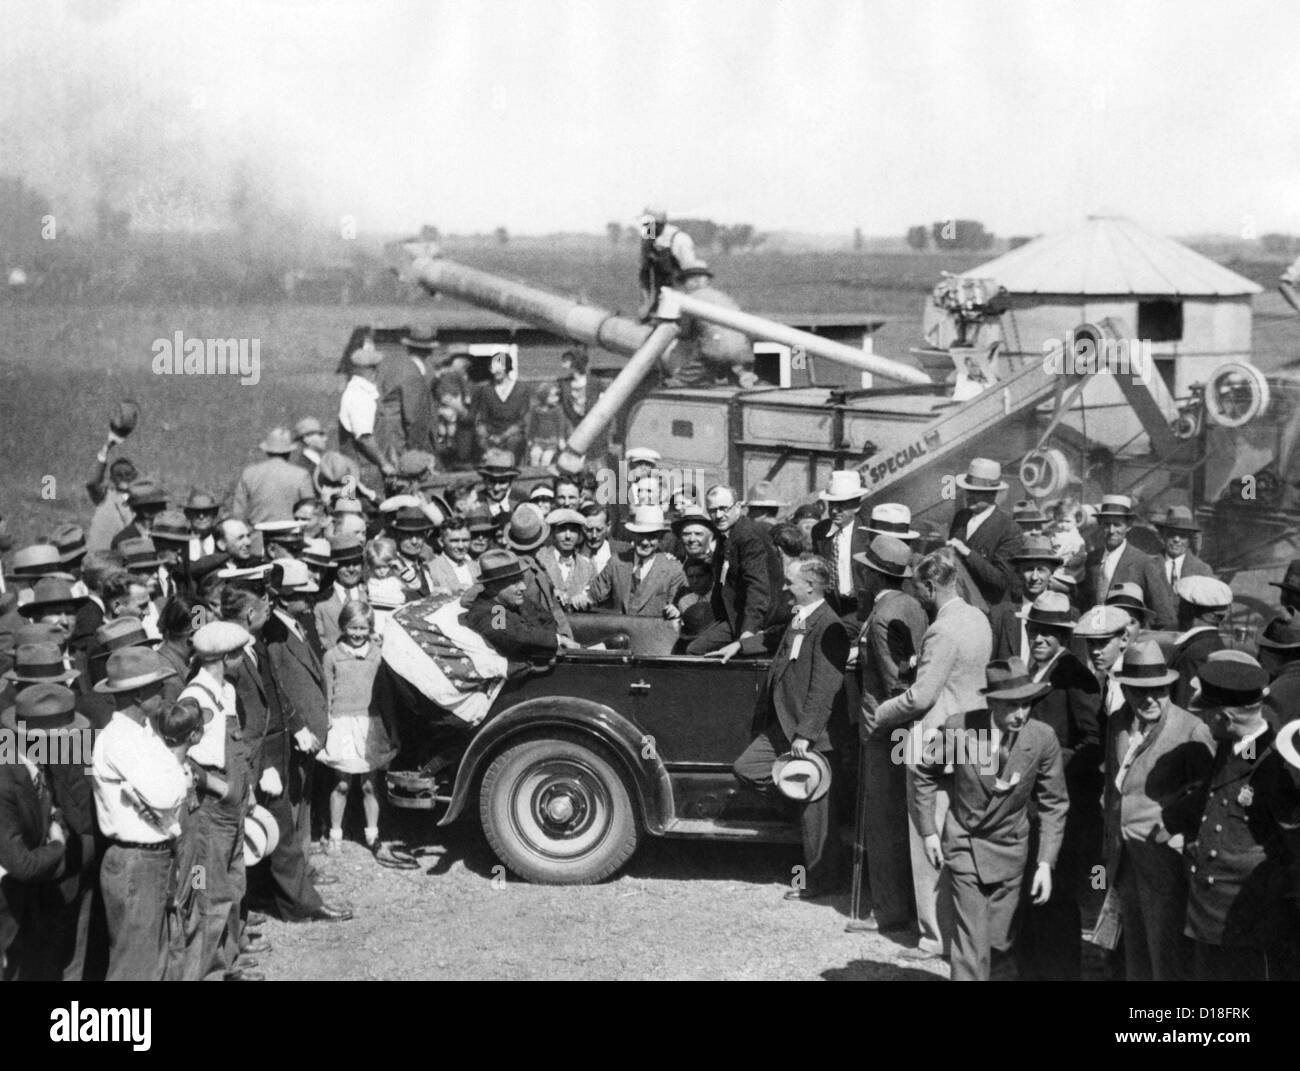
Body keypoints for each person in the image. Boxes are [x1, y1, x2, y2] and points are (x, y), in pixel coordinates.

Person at [868, 550, 993, 961]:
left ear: (930, 586)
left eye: (919, 589)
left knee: (928, 834)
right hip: (972, 734)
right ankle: (963, 929)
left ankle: (935, 937)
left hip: (936, 739)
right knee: (961, 834)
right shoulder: (977, 618)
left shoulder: (941, 630)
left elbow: (921, 696)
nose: (917, 597)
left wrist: (881, 713)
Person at [911, 658, 1069, 982]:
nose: (1021, 714)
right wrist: (928, 831)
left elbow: (1055, 803)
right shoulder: (961, 729)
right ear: (992, 701)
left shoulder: (1042, 738)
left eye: (1026, 704)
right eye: (1012, 705)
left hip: (1011, 849)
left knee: (999, 944)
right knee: (971, 943)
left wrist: (1045, 864)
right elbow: (923, 771)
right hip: (966, 844)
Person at [221, 587, 350, 924]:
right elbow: (230, 722)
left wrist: (296, 728)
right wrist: (257, 767)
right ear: (249, 614)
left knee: (277, 833)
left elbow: (275, 695)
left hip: (271, 754)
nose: (269, 607)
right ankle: (287, 907)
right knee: (267, 838)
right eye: (263, 602)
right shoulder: (227, 657)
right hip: (256, 761)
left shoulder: (254, 647)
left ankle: (275, 900)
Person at [732, 557, 849, 900]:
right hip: (785, 725)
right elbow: (774, 642)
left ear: (810, 586)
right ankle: (793, 805)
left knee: (817, 816)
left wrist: (806, 734)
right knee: (747, 768)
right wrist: (739, 644)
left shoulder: (830, 626)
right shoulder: (802, 616)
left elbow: (824, 687)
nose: (784, 588)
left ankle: (821, 881)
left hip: (809, 733)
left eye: (790, 582)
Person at [1177, 656, 1300, 980]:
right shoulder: (1236, 746)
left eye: (1206, 713)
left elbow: (1293, 849)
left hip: (1250, 920)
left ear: (1224, 716)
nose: (1202, 720)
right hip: (1214, 913)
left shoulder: (1277, 765)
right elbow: (1215, 796)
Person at [1101, 640, 1213, 981]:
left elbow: (1208, 800)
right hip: (1123, 862)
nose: (1149, 699)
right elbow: (1112, 787)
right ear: (1127, 690)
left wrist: (1179, 842)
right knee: (1132, 955)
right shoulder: (1119, 722)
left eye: (1159, 690)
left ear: (1168, 687)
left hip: (1165, 869)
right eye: (1139, 691)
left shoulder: (1192, 731)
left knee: (1167, 960)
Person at [1015, 591, 1101, 981]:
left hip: (1062, 803)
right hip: (1035, 802)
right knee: (1037, 890)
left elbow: (1091, 742)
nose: (1039, 638)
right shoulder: (1039, 670)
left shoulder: (1075, 676)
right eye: (1035, 629)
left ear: (1065, 637)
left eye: (1049, 632)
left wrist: (1047, 766)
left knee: (1059, 895)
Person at [89, 647, 188, 980]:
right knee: (136, 965)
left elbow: (172, 785)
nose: (163, 692)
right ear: (135, 694)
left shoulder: (143, 732)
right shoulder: (118, 740)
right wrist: (178, 777)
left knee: (162, 955)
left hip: (155, 857)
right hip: (136, 862)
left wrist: (176, 779)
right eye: (155, 687)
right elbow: (167, 794)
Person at [171, 621, 259, 981]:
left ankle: (229, 960)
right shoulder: (194, 699)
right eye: (238, 655)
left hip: (233, 803)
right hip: (210, 810)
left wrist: (245, 789)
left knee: (234, 881)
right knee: (208, 892)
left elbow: (235, 747)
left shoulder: (226, 691)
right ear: (226, 657)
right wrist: (221, 789)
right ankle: (205, 972)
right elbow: (183, 758)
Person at [853, 535, 928, 932]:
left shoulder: (882, 615)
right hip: (907, 726)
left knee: (882, 822)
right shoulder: (912, 604)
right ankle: (908, 906)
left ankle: (889, 911)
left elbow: (894, 682)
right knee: (905, 815)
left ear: (871, 573)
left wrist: (877, 720)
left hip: (884, 726)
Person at [0, 683, 97, 981]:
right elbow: (23, 864)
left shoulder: (36, 765)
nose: (69, 746)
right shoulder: (5, 780)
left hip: (29, 902)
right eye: (62, 739)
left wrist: (54, 818)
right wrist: (57, 843)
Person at [317, 601, 414, 868]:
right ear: (343, 627)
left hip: (370, 723)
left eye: (363, 628)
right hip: (342, 723)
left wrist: (390, 728)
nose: (358, 633)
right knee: (342, 783)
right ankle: (335, 833)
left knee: (370, 784)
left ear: (370, 628)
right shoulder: (332, 655)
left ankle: (372, 833)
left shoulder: (377, 655)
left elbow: (384, 696)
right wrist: (327, 722)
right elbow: (327, 693)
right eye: (352, 627)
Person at [685, 485, 783, 655]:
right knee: (691, 646)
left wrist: (748, 633)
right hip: (733, 618)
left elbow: (757, 587)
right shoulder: (728, 534)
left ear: (737, 507)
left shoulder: (748, 536)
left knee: (695, 652)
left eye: (724, 508)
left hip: (758, 622)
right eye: (713, 510)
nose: (718, 515)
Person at [464, 549, 578, 673]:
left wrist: (549, 648)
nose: (523, 587)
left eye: (521, 580)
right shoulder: (493, 609)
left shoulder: (514, 602)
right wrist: (557, 640)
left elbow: (546, 619)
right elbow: (509, 635)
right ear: (494, 586)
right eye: (514, 582)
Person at [573, 506, 687, 618]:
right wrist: (580, 600)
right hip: (618, 633)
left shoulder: (673, 569)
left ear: (660, 538)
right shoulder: (616, 562)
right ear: (632, 534)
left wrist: (676, 609)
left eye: (652, 537)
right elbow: (593, 596)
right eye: (640, 535)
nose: (645, 542)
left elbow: (681, 603)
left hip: (654, 634)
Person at [1082, 495, 1176, 629]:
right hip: (1094, 638)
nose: (1111, 530)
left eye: (1117, 524)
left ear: (1128, 526)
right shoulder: (1091, 560)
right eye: (1107, 524)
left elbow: (1165, 617)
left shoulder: (1143, 563)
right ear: (1100, 525)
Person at [946, 458, 1022, 609]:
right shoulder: (961, 517)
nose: (969, 496)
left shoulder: (1009, 529)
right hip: (956, 606)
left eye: (977, 492)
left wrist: (967, 552)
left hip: (986, 610)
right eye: (968, 490)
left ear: (992, 494)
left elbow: (1001, 580)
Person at [811, 470, 871, 628]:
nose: (834, 510)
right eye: (831, 504)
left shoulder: (868, 533)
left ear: (856, 506)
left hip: (863, 610)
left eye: (841, 505)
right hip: (833, 609)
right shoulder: (819, 532)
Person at [989, 535, 1062, 662]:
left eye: (1041, 570)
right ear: (1019, 572)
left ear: (1052, 573)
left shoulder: (1066, 615)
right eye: (1028, 569)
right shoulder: (999, 615)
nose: (1034, 577)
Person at [229, 427, 315, 526]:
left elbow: (238, 511)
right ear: (290, 452)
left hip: (257, 535)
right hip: (290, 535)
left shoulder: (249, 473)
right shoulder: (301, 475)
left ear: (267, 451)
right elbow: (309, 511)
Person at [637, 206, 711, 319]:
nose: (646, 228)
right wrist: (646, 304)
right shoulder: (648, 239)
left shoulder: (679, 240)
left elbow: (692, 276)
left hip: (680, 298)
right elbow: (644, 273)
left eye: (649, 225)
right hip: (661, 297)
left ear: (660, 224)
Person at [339, 341, 396, 485]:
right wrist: (384, 463)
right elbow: (364, 437)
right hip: (363, 472)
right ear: (371, 370)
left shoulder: (365, 392)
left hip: (367, 469)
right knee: (366, 506)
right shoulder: (359, 395)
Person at [471, 352, 529, 465]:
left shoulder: (521, 389)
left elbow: (523, 420)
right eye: (493, 367)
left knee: (514, 442)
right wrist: (486, 435)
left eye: (500, 366)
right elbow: (482, 418)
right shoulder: (487, 390)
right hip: (492, 433)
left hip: (512, 434)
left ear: (507, 367)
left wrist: (503, 436)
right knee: (481, 443)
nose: (496, 371)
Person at [537, 508, 599, 610]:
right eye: (562, 529)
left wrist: (585, 599)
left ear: (579, 534)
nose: (568, 536)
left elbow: (595, 598)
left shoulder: (588, 566)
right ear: (552, 532)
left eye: (573, 530)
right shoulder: (540, 559)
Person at [86, 457, 138, 552]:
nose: (124, 477)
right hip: (101, 555)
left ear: (134, 476)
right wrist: (105, 451)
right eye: (119, 475)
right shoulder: (105, 496)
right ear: (112, 478)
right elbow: (91, 484)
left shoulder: (141, 499)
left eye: (127, 474)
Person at [427, 516, 481, 600]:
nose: (461, 546)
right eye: (454, 541)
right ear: (441, 542)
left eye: (465, 540)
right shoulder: (431, 570)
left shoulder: (477, 566)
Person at [580, 502, 628, 575]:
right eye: (589, 530)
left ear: (608, 526)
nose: (594, 536)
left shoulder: (624, 552)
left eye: (599, 530)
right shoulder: (572, 553)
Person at [527, 383, 565, 467]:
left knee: (546, 459)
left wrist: (561, 439)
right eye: (552, 396)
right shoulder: (536, 410)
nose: (556, 398)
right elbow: (533, 425)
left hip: (552, 442)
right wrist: (530, 439)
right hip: (539, 440)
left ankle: (544, 477)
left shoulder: (557, 410)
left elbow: (561, 425)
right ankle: (535, 475)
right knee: (534, 455)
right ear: (543, 397)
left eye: (557, 396)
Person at [478, 448, 522, 522]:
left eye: (502, 481)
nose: (496, 488)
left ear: (510, 482)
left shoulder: (520, 500)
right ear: (484, 480)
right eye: (491, 481)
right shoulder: (476, 503)